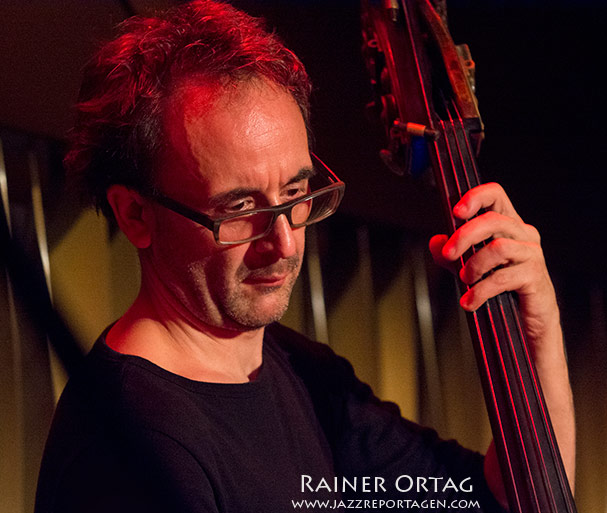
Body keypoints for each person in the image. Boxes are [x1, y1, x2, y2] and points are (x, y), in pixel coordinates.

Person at [35, 1, 575, 512]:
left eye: (296, 195)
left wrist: (539, 328)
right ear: (135, 215)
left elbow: (498, 500)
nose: (285, 243)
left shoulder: (306, 376)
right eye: (240, 208)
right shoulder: (126, 449)